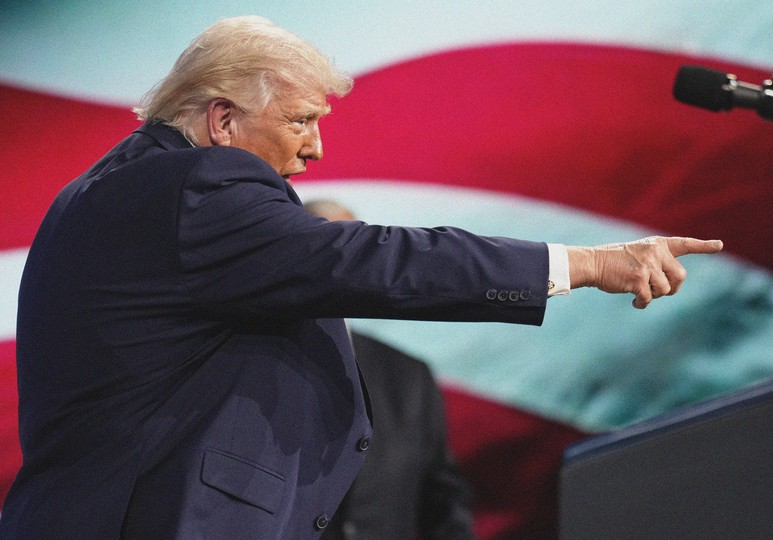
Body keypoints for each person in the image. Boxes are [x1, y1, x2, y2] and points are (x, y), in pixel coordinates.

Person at [0, 15, 722, 540]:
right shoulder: (197, 186)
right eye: (302, 121)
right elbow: (372, 258)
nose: (315, 148)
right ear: (222, 120)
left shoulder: (102, 194)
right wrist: (586, 263)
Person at [305, 199, 475, 540]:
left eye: (355, 250)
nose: (340, 263)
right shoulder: (252, 366)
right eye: (325, 248)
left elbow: (443, 501)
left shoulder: (410, 377)